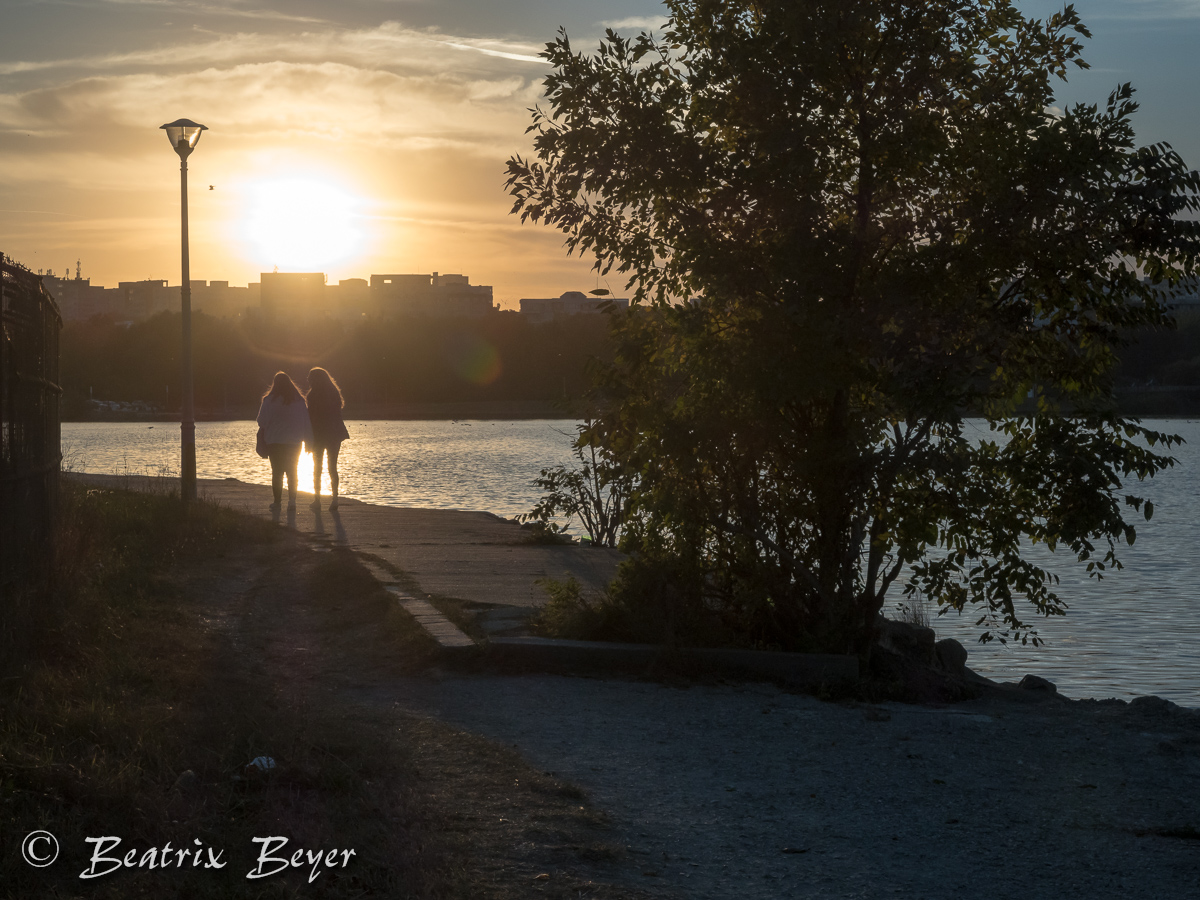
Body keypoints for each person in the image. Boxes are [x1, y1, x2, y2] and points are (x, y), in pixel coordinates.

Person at [256, 371, 313, 511]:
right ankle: (292, 502)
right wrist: (309, 441)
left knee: (277, 472)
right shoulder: (299, 401)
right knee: (292, 471)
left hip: (274, 441)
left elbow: (261, 421)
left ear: (275, 384)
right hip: (294, 442)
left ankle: (277, 502)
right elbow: (306, 422)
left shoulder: (268, 401)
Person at [306, 366, 350, 511]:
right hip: (334, 434)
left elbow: (311, 418)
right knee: (333, 467)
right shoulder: (334, 393)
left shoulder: (312, 395)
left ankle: (317, 500)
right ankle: (335, 499)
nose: (308, 379)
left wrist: (307, 439)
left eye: (310, 377)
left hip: (319, 435)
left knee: (317, 468)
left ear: (315, 379)